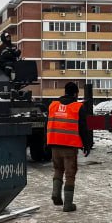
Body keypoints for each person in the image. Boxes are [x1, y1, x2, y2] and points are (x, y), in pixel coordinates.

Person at [46, 81, 92, 212]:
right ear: (76, 93)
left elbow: (47, 125)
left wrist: (47, 142)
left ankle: (56, 193)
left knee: (58, 169)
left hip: (54, 144)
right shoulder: (77, 107)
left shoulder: (53, 105)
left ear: (65, 91)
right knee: (70, 174)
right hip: (70, 147)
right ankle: (68, 204)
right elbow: (83, 128)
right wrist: (87, 145)